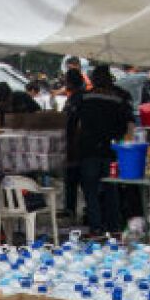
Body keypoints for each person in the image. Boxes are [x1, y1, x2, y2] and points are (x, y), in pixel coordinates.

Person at [66, 65, 133, 235]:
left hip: (88, 150)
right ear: (109, 79)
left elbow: (72, 125)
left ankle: (96, 226)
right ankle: (114, 226)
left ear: (94, 80)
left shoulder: (83, 98)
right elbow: (127, 126)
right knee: (111, 189)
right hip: (110, 151)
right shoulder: (119, 99)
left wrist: (71, 149)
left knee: (91, 190)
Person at [61, 69, 88, 220]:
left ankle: (72, 210)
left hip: (76, 146)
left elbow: (74, 123)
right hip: (77, 145)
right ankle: (73, 209)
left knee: (75, 179)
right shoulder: (77, 97)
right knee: (77, 181)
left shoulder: (77, 99)